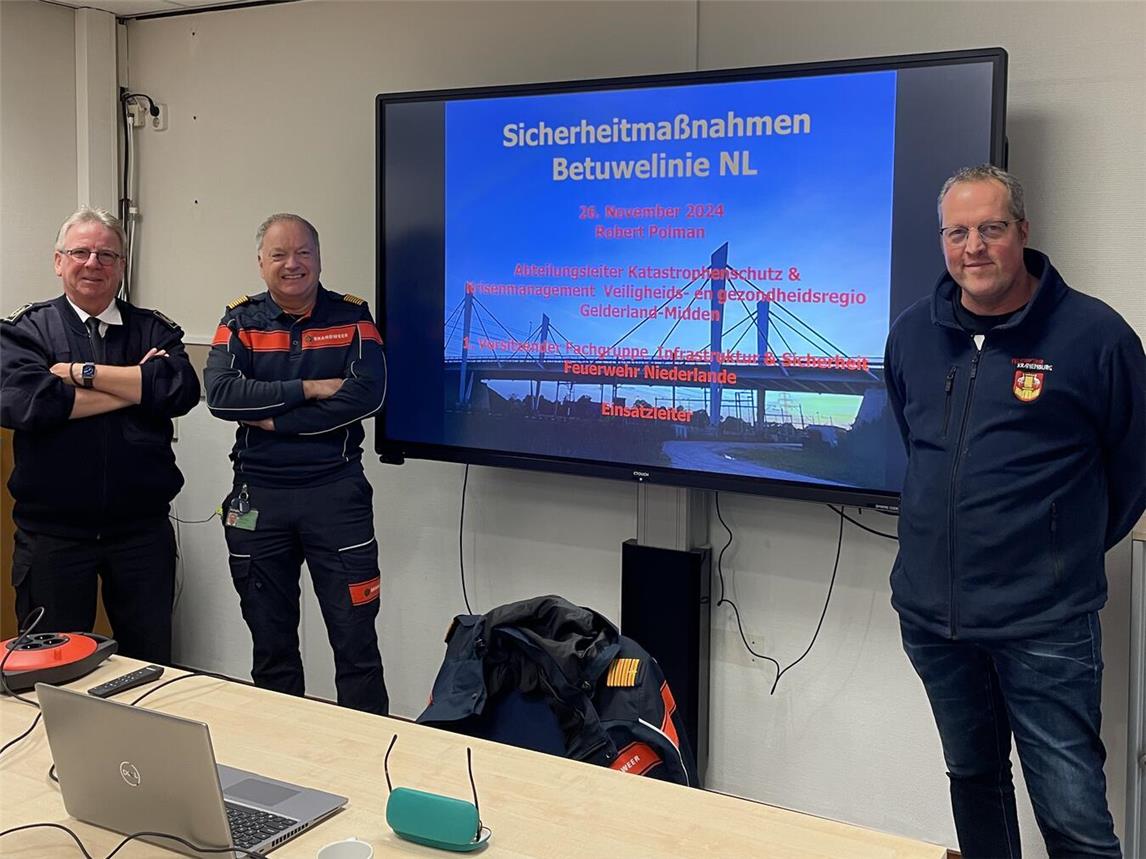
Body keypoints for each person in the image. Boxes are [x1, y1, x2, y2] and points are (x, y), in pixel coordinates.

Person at [884, 164, 1145, 858]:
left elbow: (1131, 469)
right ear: (943, 242)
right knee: (974, 782)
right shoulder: (912, 333)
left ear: (1022, 234)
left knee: (1075, 819)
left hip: (1045, 624)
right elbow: (921, 450)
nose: (975, 246)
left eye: (991, 228)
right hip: (934, 621)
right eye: (958, 232)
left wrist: (1061, 548)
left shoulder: (1096, 336)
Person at [204, 213, 388, 715]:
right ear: (261, 263)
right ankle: (283, 764)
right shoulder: (239, 321)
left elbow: (366, 396)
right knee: (272, 647)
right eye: (280, 254)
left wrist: (276, 420)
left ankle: (369, 764)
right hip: (258, 499)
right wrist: (305, 388)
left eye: (304, 252)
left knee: (356, 648)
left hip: (336, 496)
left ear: (319, 259)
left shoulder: (352, 317)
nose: (293, 264)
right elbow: (221, 396)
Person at [0, 207, 201, 663]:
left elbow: (180, 390)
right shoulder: (25, 330)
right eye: (81, 252)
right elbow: (29, 403)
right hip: (52, 537)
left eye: (107, 254)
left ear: (121, 265)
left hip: (141, 535)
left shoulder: (153, 327)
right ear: (58, 261)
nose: (94, 263)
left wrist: (76, 374)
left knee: (150, 665)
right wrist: (136, 386)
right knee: (49, 672)